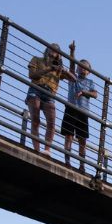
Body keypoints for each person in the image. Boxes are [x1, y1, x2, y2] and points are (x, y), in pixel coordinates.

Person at [25, 42, 75, 154]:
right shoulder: (37, 59)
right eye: (52, 48)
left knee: (52, 123)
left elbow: (73, 79)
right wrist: (48, 69)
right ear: (47, 50)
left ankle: (47, 150)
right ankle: (36, 149)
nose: (54, 51)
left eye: (57, 50)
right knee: (35, 120)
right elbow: (32, 75)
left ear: (59, 55)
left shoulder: (58, 68)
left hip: (50, 94)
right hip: (36, 89)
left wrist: (65, 69)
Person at [60, 42, 97, 172]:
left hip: (83, 112)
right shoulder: (72, 77)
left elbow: (95, 94)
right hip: (71, 108)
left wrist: (84, 92)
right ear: (77, 68)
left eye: (85, 68)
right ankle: (67, 161)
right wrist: (72, 51)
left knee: (82, 139)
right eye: (80, 66)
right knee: (68, 136)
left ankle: (82, 165)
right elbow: (71, 63)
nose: (82, 69)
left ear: (88, 72)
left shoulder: (90, 82)